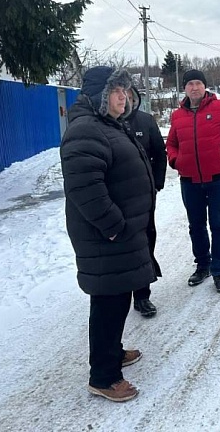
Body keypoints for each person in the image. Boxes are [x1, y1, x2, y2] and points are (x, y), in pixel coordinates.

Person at [60, 66, 157, 402]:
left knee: (117, 298)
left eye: (126, 91)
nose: (124, 97)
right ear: (101, 95)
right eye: (116, 91)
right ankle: (103, 376)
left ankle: (112, 352)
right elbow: (85, 188)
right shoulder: (86, 129)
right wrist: (115, 227)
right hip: (107, 236)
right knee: (107, 302)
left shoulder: (107, 125)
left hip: (121, 233)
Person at [166, 69, 220, 293]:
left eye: (198, 83)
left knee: (219, 225)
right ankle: (202, 265)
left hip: (218, 179)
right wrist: (176, 161)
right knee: (196, 226)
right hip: (190, 181)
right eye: (189, 84)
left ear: (204, 86)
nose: (194, 87)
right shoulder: (177, 116)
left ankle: (219, 271)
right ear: (184, 88)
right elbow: (172, 144)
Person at [126, 87, 166, 318]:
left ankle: (142, 296)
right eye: (122, 96)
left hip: (145, 196)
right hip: (118, 198)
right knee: (124, 245)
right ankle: (122, 295)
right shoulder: (108, 123)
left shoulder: (145, 121)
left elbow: (160, 154)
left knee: (145, 241)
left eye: (130, 97)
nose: (126, 101)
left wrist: (157, 184)